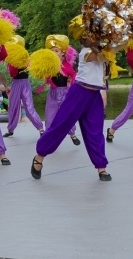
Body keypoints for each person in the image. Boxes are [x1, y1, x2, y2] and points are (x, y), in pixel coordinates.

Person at [31, 33, 122, 181]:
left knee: (95, 132)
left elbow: (108, 57)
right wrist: (115, 44)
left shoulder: (103, 50)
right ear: (86, 40)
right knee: (60, 126)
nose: (97, 38)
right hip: (79, 94)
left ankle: (101, 167)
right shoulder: (86, 52)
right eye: (93, 37)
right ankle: (39, 156)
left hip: (94, 96)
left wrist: (127, 37)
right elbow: (101, 56)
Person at [42, 35, 81, 146]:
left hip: (65, 93)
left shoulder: (67, 66)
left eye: (56, 51)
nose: (54, 53)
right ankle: (48, 138)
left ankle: (72, 134)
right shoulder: (49, 65)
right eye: (52, 51)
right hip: (53, 94)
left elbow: (73, 76)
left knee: (67, 116)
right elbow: (46, 78)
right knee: (49, 118)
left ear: (63, 53)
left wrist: (70, 84)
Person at [3, 37, 44, 137]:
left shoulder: (26, 57)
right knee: (13, 107)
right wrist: (13, 63)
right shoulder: (11, 59)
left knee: (29, 107)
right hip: (16, 83)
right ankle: (10, 129)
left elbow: (31, 69)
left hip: (25, 83)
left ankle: (41, 129)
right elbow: (12, 74)